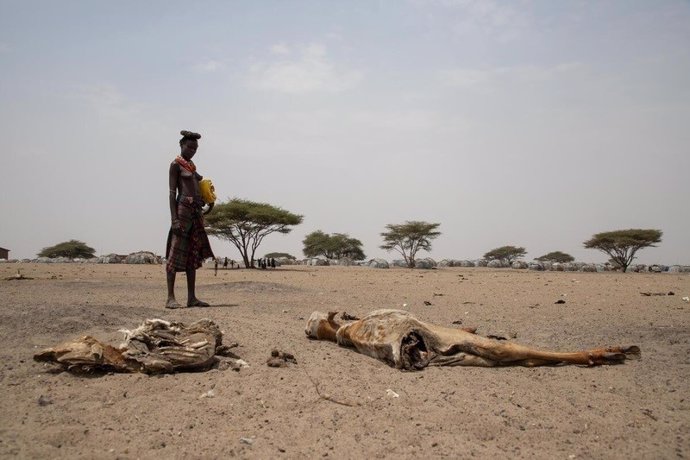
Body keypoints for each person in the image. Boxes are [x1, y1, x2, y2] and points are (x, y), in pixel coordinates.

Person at [165, 130, 215, 309]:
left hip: (195, 213)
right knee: (175, 253)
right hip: (182, 213)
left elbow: (202, 184)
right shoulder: (175, 165)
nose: (193, 150)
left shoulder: (192, 167)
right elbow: (172, 194)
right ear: (181, 145)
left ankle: (191, 298)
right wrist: (174, 220)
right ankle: (170, 298)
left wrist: (209, 200)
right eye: (190, 147)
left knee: (192, 256)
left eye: (195, 148)